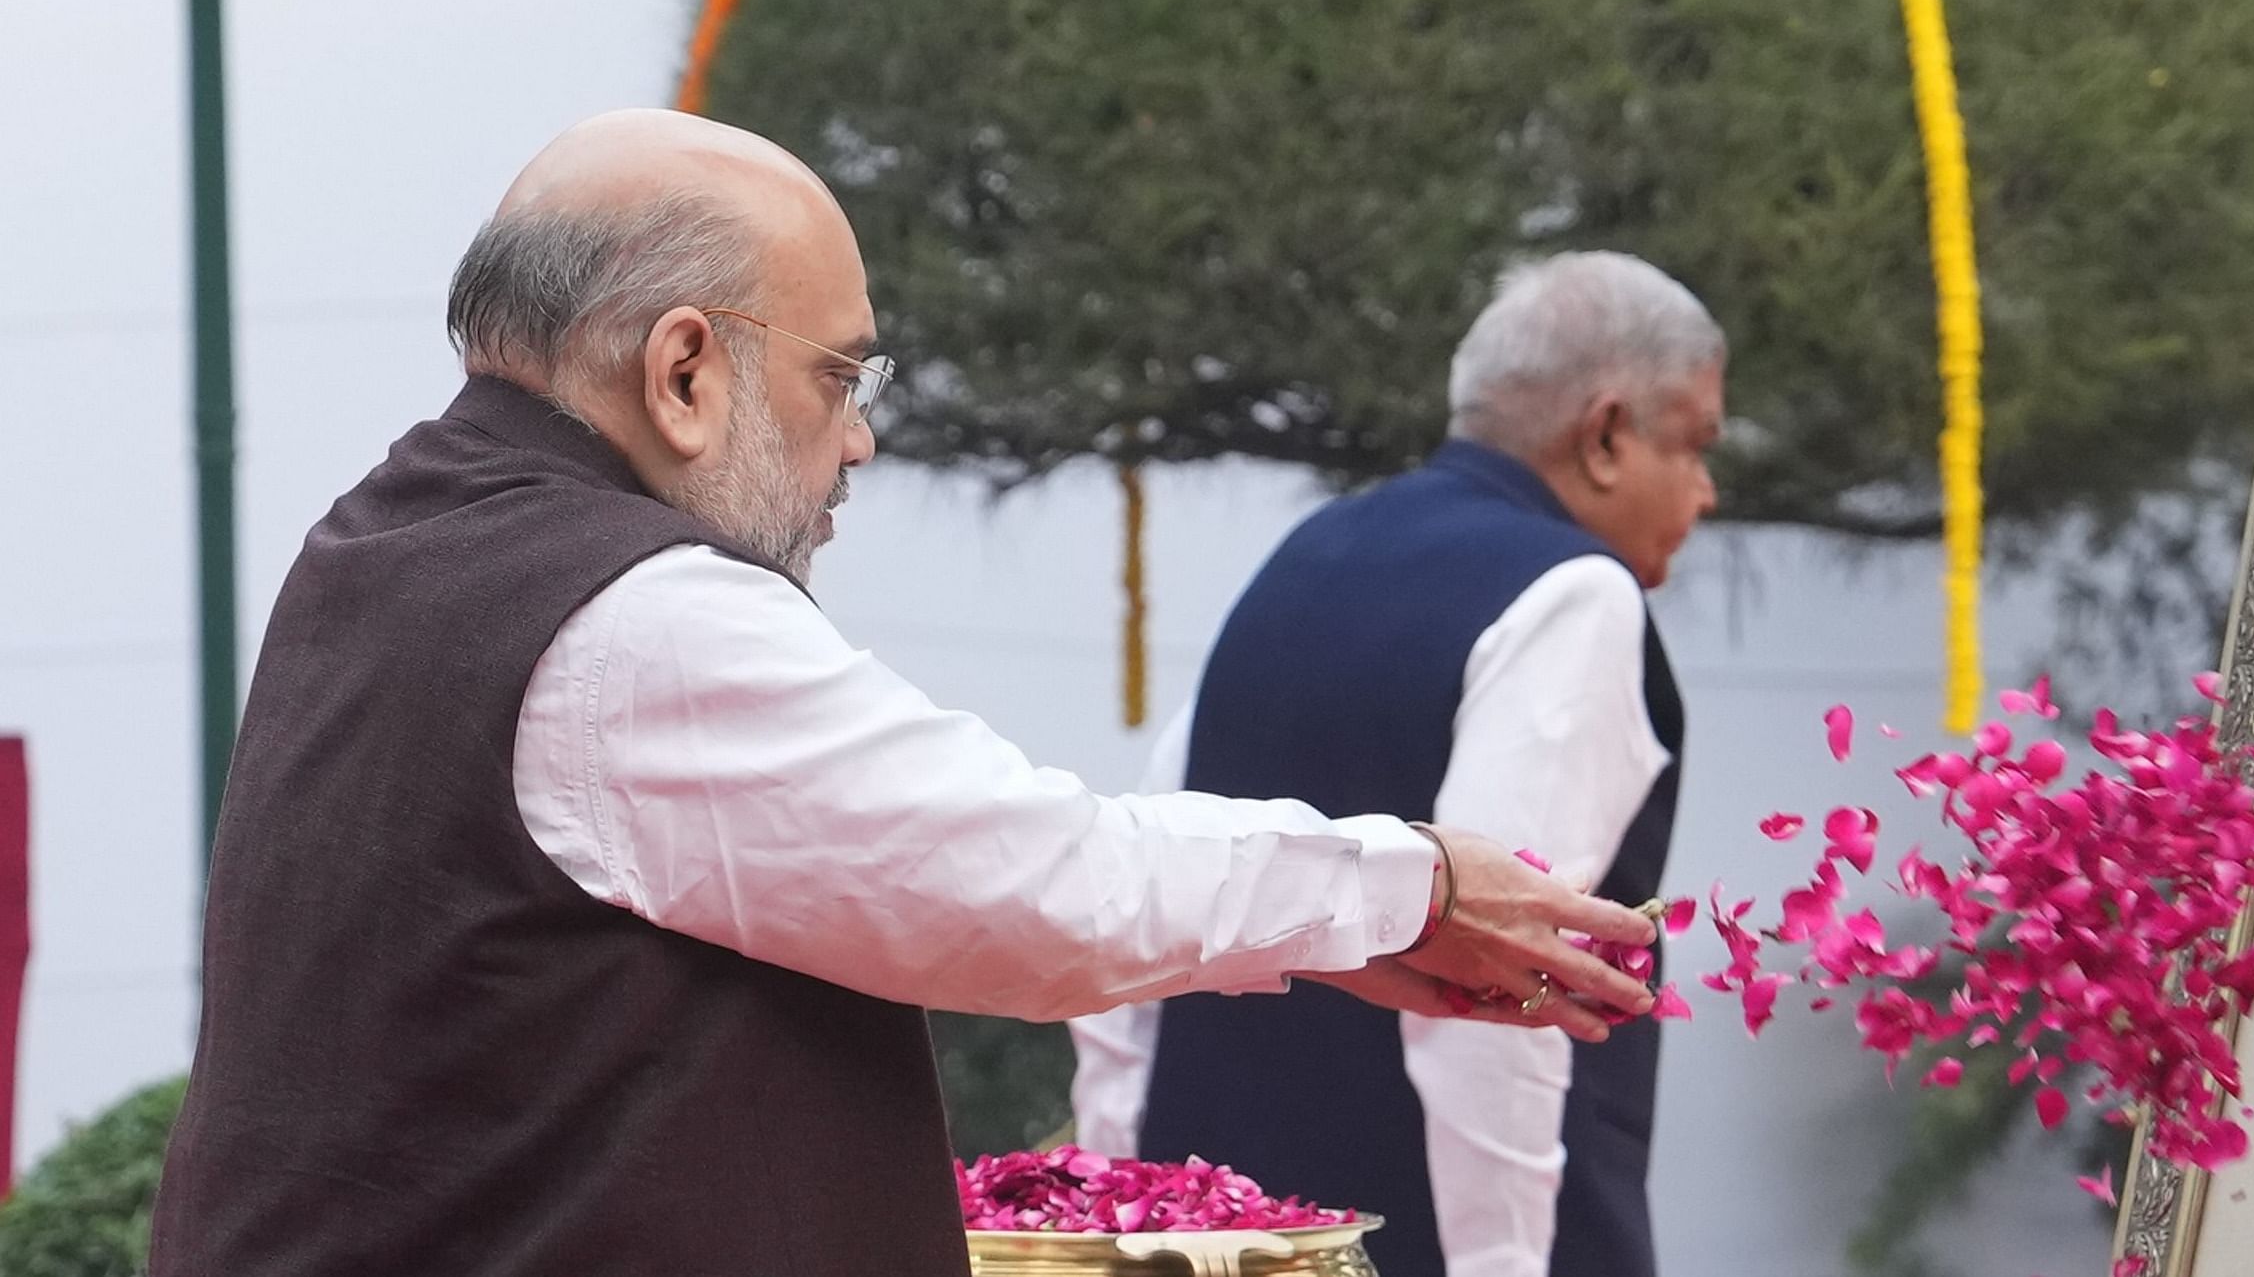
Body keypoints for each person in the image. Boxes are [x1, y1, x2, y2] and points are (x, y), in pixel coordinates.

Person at [149, 111, 1653, 1277]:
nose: (857, 444)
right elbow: (1034, 884)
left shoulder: (386, 536)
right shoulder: (635, 615)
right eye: (839, 380)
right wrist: (1397, 884)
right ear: (685, 370)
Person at [1073, 254, 1719, 1277]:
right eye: (1693, 447)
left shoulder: (1313, 550)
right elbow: (1501, 992)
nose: (1706, 492)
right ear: (1604, 436)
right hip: (1417, 1240)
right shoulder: (1574, 596)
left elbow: (1145, 898)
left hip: (1211, 1234)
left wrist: (1114, 1202)